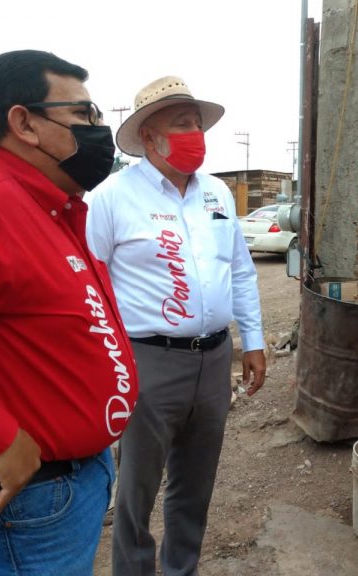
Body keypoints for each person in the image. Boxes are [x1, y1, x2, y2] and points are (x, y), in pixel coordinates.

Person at [0, 50, 137, 574]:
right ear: (24, 123)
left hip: (67, 484)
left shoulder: (48, 205)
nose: (98, 129)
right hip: (23, 499)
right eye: (83, 113)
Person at [86, 75, 267, 576]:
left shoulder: (217, 194)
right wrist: (104, 365)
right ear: (149, 136)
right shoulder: (112, 198)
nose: (196, 134)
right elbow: (90, 288)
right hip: (148, 361)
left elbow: (240, 271)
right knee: (137, 489)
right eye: (182, 124)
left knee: (196, 484)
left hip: (214, 358)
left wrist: (252, 340)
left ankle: (180, 568)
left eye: (198, 124)